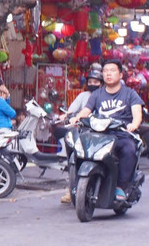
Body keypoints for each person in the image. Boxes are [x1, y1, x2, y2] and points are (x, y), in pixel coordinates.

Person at [75, 59, 142, 202]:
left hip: (121, 134)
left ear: (121, 75)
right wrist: (76, 118)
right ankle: (77, 184)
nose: (108, 74)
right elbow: (86, 111)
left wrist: (133, 124)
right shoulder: (96, 94)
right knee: (80, 147)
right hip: (100, 134)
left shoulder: (130, 94)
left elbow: (137, 114)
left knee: (129, 150)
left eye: (112, 71)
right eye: (105, 71)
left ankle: (121, 187)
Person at [59, 67, 104, 205]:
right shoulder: (83, 96)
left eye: (96, 82)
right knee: (73, 155)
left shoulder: (105, 95)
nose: (92, 84)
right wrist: (67, 116)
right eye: (90, 82)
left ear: (101, 83)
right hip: (84, 131)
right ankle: (71, 189)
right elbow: (71, 111)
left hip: (102, 133)